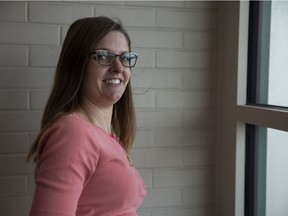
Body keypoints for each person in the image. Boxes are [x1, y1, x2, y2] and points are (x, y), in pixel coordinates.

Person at [27, 16, 147, 216]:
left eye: (125, 58)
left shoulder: (105, 135)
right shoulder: (73, 134)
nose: (118, 67)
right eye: (104, 56)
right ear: (77, 65)